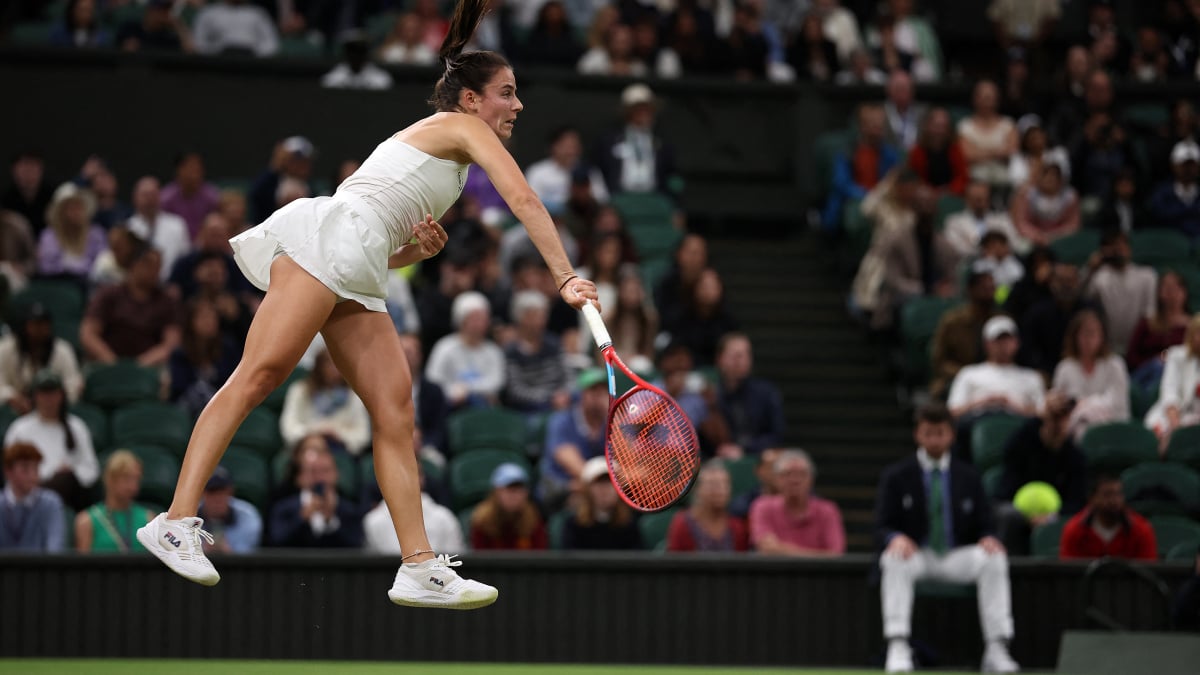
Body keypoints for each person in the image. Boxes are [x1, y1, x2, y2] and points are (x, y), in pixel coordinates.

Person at [138, 0, 599, 612]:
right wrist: (565, 277)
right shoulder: (464, 130)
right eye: (506, 93)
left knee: (394, 409)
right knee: (259, 376)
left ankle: (417, 564)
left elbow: (380, 254)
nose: (517, 105)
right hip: (328, 237)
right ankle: (174, 520)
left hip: (355, 260)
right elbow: (524, 201)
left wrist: (415, 252)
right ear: (470, 100)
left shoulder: (453, 162)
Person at [876, 403, 1019, 674]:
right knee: (892, 557)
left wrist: (988, 537)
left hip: (956, 556)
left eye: (940, 433)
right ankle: (898, 644)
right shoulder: (896, 476)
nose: (934, 439)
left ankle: (997, 648)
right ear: (918, 434)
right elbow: (882, 525)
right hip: (918, 555)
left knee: (995, 558)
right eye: (928, 433)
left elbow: (985, 523)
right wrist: (895, 537)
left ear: (951, 435)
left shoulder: (969, 476)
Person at [996, 391, 1088, 555]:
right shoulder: (1022, 442)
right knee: (1006, 515)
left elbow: (1077, 500)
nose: (1058, 423)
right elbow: (1005, 490)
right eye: (1054, 416)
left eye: (1063, 417)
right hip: (1018, 510)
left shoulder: (1075, 456)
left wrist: (1051, 517)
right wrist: (1027, 515)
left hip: (1056, 513)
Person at [4, 370, 99, 512]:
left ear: (61, 395)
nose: (48, 399)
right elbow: (9, 467)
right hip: (29, 491)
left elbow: (91, 469)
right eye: (43, 393)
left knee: (64, 480)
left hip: (69, 494)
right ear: (35, 396)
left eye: (53, 393)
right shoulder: (20, 429)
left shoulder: (76, 427)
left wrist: (72, 471)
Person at [80, 244, 182, 367]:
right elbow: (88, 334)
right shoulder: (109, 294)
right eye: (148, 264)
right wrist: (112, 362)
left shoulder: (166, 301)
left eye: (158, 265)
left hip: (150, 369)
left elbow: (171, 343)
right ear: (133, 265)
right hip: (107, 365)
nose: (154, 270)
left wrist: (140, 365)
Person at [947, 315, 1045, 422]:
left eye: (1007, 340)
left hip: (1019, 427)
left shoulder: (1031, 377)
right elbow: (952, 412)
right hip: (976, 422)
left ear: (1016, 343)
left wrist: (1011, 404)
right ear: (986, 344)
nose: (1003, 345)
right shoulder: (969, 373)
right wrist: (983, 402)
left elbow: (1042, 414)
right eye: (998, 340)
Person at [267, 441, 364, 548]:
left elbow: (357, 546)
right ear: (300, 477)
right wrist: (302, 518)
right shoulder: (283, 508)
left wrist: (330, 520)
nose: (320, 478)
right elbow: (274, 542)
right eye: (313, 471)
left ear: (336, 474)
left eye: (325, 471)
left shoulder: (349, 510)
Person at [748, 449, 845, 556]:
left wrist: (781, 549)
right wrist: (820, 555)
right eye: (788, 474)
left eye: (802, 474)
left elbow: (836, 555)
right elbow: (767, 548)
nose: (795, 480)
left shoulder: (828, 510)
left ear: (811, 479)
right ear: (777, 479)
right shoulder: (762, 506)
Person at [1052, 310, 1130, 439]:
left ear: (1102, 337)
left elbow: (1117, 402)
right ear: (1075, 337)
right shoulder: (1065, 367)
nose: (1088, 340)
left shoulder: (1115, 364)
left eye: (1093, 333)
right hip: (1075, 430)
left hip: (1112, 427)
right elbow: (1060, 404)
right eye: (1084, 334)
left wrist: (1082, 404)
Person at [279, 347, 371, 456]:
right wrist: (314, 434)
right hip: (305, 448)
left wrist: (338, 435)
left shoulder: (354, 395)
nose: (334, 369)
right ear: (319, 366)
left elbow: (363, 434)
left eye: (338, 364)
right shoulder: (300, 391)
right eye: (329, 364)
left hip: (341, 451)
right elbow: (289, 427)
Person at [594, 83, 679, 198]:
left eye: (647, 109)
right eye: (639, 109)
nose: (644, 113)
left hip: (653, 198)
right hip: (618, 199)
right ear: (628, 112)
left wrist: (676, 207)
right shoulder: (610, 141)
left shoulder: (662, 143)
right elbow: (598, 173)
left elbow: (672, 177)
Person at [538, 368, 608, 508]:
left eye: (603, 391)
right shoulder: (561, 421)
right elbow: (576, 467)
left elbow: (631, 463)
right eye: (593, 391)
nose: (598, 396)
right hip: (562, 487)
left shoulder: (615, 421)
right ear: (581, 395)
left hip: (599, 487)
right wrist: (607, 485)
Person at [424, 291, 507, 409]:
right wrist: (453, 392)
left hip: (486, 408)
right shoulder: (445, 347)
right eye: (474, 318)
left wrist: (467, 389)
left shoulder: (493, 351)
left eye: (483, 319)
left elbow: (498, 381)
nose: (479, 324)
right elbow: (433, 380)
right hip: (451, 408)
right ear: (461, 320)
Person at [823, 104, 900, 230]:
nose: (878, 128)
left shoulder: (890, 154)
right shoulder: (848, 152)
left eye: (880, 125)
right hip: (854, 200)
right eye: (873, 124)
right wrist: (867, 195)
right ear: (862, 126)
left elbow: (894, 180)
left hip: (882, 201)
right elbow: (841, 183)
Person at [1083, 229, 1157, 355]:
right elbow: (1083, 300)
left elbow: (1150, 316)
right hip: (1107, 348)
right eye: (1113, 245)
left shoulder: (1147, 276)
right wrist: (1090, 268)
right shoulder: (1100, 278)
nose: (1119, 249)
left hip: (1139, 348)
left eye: (1122, 244)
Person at [0, 302, 83, 413]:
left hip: (52, 410)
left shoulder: (62, 350)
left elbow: (73, 384)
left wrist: (50, 400)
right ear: (25, 326)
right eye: (34, 324)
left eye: (43, 324)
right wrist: (11, 397)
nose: (39, 329)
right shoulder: (6, 348)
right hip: (13, 409)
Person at [169, 298, 242, 420]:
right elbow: (179, 389)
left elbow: (233, 383)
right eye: (203, 317)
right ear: (191, 322)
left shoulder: (228, 348)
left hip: (222, 408)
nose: (209, 322)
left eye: (213, 317)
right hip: (189, 411)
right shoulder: (180, 354)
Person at [714, 333, 785, 459]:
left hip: (758, 456)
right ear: (720, 359)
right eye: (735, 356)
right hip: (718, 458)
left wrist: (745, 449)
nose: (740, 360)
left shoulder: (766, 392)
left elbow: (777, 435)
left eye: (745, 355)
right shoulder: (711, 393)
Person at [929, 272, 998, 399]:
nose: (990, 293)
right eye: (984, 289)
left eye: (992, 289)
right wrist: (967, 374)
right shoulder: (952, 322)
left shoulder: (1001, 321)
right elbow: (939, 361)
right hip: (957, 377)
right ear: (971, 290)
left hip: (997, 377)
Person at [1060, 473, 1157, 561]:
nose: (1114, 501)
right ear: (1092, 499)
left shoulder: (1141, 529)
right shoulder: (1074, 530)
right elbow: (1068, 574)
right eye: (1107, 495)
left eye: (1118, 494)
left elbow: (1148, 573)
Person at [502, 290, 570, 413]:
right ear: (520, 318)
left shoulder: (554, 344)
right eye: (534, 316)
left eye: (542, 315)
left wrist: (564, 394)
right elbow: (515, 391)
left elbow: (568, 376)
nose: (539, 321)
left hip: (560, 402)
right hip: (529, 409)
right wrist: (549, 398)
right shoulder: (511, 351)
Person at [75, 450, 154, 553]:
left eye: (136, 479)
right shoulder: (86, 522)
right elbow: (82, 566)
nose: (133, 487)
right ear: (110, 479)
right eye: (127, 478)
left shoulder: (149, 520)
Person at [666, 460, 750, 552]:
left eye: (725, 484)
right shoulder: (682, 523)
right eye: (713, 485)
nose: (720, 490)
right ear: (697, 490)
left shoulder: (737, 527)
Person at [1126, 270, 1190, 391]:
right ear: (1160, 292)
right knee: (1158, 366)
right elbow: (1132, 357)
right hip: (1147, 375)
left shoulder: (1192, 326)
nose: (1171, 294)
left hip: (1179, 375)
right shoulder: (1148, 322)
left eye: (1175, 288)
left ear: (1184, 292)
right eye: (1166, 288)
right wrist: (1155, 360)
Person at [1145, 314, 1200, 452]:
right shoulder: (1176, 355)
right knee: (1161, 436)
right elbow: (1169, 390)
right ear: (1191, 335)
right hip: (1172, 416)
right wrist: (1176, 427)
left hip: (1195, 419)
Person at [562, 456, 643, 550]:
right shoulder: (573, 525)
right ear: (588, 490)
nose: (605, 490)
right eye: (599, 483)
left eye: (610, 483)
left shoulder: (630, 524)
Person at [0, 443, 66, 552]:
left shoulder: (51, 503)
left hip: (41, 568)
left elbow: (55, 548)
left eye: (36, 468)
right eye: (25, 469)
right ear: (9, 472)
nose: (32, 475)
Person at [469, 462, 548, 550]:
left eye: (519, 490)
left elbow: (539, 556)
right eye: (509, 490)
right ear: (496, 492)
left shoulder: (533, 519)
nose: (514, 496)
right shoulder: (482, 520)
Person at [36, 182, 106, 280]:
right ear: (61, 212)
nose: (76, 212)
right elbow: (46, 268)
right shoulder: (49, 236)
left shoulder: (96, 234)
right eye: (71, 208)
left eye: (79, 207)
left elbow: (101, 265)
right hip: (58, 284)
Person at [957, 80, 1017, 194]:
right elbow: (966, 154)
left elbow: (1011, 152)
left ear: (997, 100)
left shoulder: (1008, 125)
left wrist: (979, 152)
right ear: (975, 99)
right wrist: (996, 152)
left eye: (989, 98)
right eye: (982, 97)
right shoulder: (964, 126)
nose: (986, 102)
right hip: (973, 182)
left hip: (1005, 183)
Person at [128, 176, 192, 281]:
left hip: (170, 284)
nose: (149, 199)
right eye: (145, 195)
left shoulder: (177, 225)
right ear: (135, 198)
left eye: (153, 194)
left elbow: (185, 261)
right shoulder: (128, 228)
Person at [943, 181, 1022, 259]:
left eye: (984, 198)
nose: (981, 203)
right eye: (977, 199)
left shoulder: (1001, 220)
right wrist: (983, 252)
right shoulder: (954, 222)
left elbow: (1015, 243)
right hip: (970, 265)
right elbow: (955, 248)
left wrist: (1001, 250)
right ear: (967, 199)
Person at [1010, 162, 1080, 247]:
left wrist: (1056, 235)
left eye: (1053, 177)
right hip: (1033, 237)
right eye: (1046, 176)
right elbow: (1021, 222)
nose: (1049, 180)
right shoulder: (1027, 195)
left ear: (1060, 180)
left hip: (1061, 238)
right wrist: (1037, 236)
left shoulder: (1070, 197)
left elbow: (1073, 224)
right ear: (1039, 178)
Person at [196, 466, 261, 554]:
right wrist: (203, 551)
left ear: (231, 492)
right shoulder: (187, 517)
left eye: (222, 492)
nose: (217, 498)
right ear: (202, 493)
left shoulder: (248, 516)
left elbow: (247, 559)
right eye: (212, 492)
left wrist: (229, 551)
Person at [906, 108, 967, 195]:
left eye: (943, 127)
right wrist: (931, 191)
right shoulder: (917, 152)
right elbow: (914, 179)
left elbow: (962, 176)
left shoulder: (955, 149)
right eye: (936, 126)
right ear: (928, 126)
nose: (939, 131)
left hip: (952, 194)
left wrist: (951, 189)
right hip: (925, 194)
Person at [1147, 140, 1200, 238]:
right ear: (1174, 165)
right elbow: (1158, 216)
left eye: (1192, 165)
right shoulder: (1161, 193)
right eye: (1184, 165)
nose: (1188, 170)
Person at [193, 0, 279, 57]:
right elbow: (198, 42)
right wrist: (216, 52)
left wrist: (254, 54)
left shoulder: (258, 13)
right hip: (217, 63)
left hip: (251, 65)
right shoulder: (208, 12)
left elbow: (271, 44)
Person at [322, 31, 395, 91]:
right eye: (352, 51)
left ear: (367, 53)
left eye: (361, 51)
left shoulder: (381, 79)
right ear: (346, 53)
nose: (356, 55)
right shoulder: (333, 78)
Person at [730, 447, 782, 519]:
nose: (776, 473)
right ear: (758, 470)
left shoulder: (796, 501)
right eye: (771, 467)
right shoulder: (746, 502)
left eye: (781, 469)